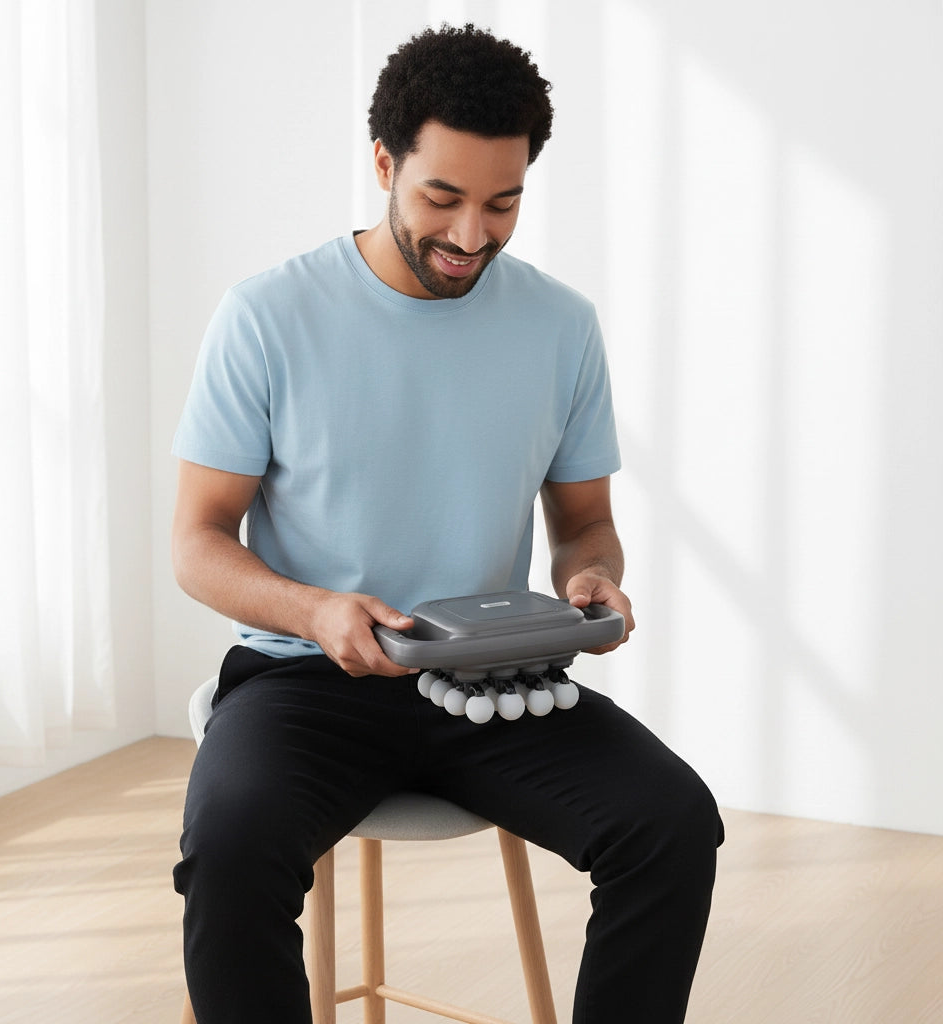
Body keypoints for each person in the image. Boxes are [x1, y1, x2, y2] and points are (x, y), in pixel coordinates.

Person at [171, 23, 723, 1024]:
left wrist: (589, 579)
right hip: (308, 679)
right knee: (230, 849)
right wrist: (316, 610)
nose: (472, 234)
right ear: (383, 162)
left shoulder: (559, 326)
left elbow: (586, 525)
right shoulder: (265, 317)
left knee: (673, 823)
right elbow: (197, 543)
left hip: (495, 679)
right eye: (442, 198)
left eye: (502, 203)